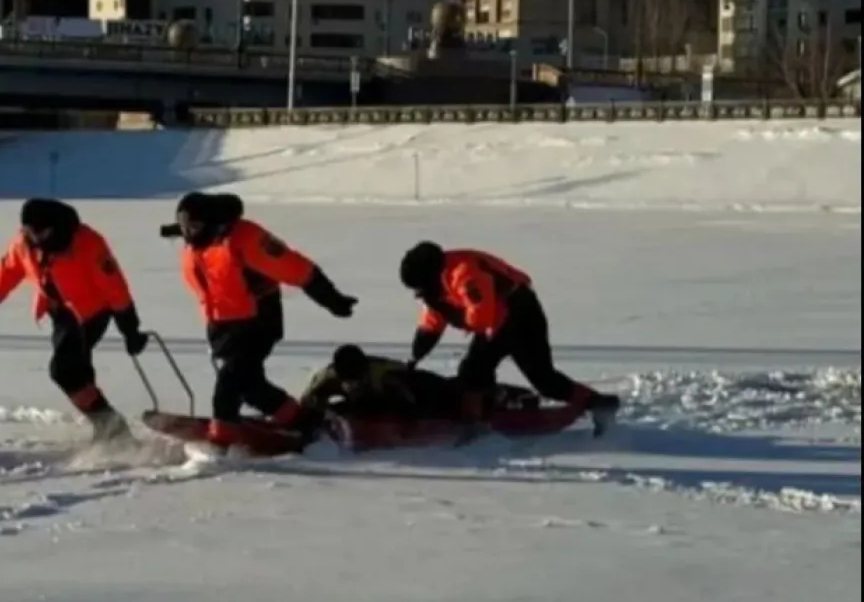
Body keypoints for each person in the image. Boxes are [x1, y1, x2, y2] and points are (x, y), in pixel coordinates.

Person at [162, 191, 358, 447]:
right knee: (251, 387)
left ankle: (220, 444)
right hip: (223, 327)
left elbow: (296, 268)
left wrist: (333, 300)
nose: (188, 234)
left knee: (229, 383)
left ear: (213, 223)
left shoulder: (246, 239)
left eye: (195, 227)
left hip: (258, 323)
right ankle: (304, 422)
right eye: (184, 228)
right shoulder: (199, 242)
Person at [0, 198, 149, 443]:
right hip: (60, 312)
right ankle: (105, 426)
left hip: (92, 311)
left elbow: (114, 288)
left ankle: (111, 425)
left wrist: (130, 329)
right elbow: (1, 278)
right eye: (29, 231)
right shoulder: (24, 244)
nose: (35, 237)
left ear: (55, 227)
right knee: (77, 371)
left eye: (40, 231)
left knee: (64, 370)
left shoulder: (87, 243)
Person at [397, 241, 621, 437]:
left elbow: (481, 316)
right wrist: (416, 356)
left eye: (419, 287)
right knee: (495, 372)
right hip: (498, 318)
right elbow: (432, 322)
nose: (419, 293)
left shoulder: (465, 274)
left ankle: (476, 425)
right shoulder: (437, 285)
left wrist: (449, 311)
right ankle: (599, 403)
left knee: (480, 370)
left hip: (519, 312)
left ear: (430, 275)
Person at [299, 344, 541, 420]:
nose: (352, 384)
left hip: (415, 385)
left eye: (357, 378)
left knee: (452, 395)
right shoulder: (328, 377)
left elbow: (410, 407)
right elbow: (308, 401)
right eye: (348, 380)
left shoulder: (386, 375)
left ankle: (505, 395)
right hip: (376, 400)